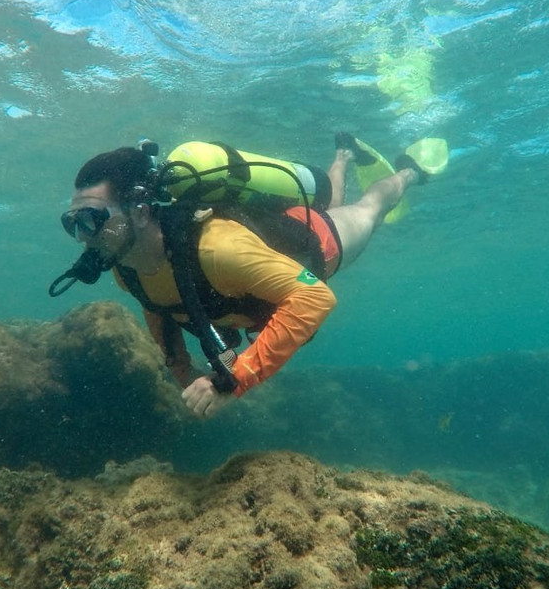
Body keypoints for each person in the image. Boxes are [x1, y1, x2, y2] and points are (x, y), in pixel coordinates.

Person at [61, 134, 445, 419]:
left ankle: (409, 172)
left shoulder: (218, 249)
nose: (82, 236)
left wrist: (236, 376)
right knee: (332, 201)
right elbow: (157, 304)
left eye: (92, 219)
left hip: (318, 243)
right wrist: (182, 370)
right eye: (72, 222)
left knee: (369, 208)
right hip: (262, 261)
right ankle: (343, 155)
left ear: (142, 212)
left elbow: (315, 298)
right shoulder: (125, 269)